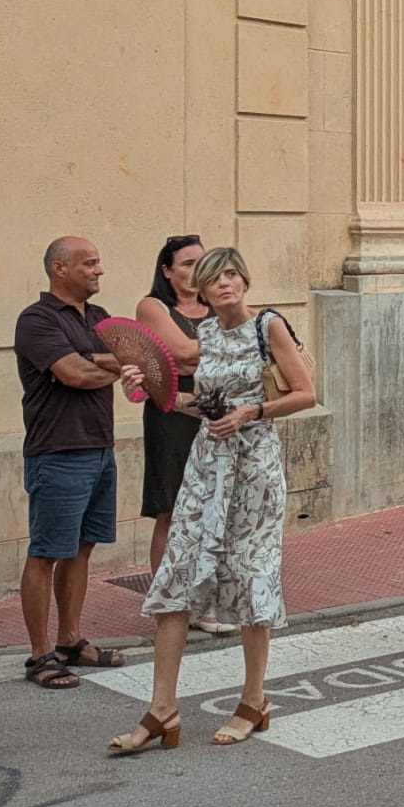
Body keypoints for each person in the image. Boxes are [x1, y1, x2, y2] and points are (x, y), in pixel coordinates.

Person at [109, 248, 317, 754]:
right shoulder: (203, 335)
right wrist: (145, 389)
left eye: (231, 274)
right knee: (176, 571)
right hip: (206, 466)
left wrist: (252, 412)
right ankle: (162, 709)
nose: (225, 284)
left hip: (255, 465)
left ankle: (253, 701)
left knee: (250, 573)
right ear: (199, 290)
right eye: (214, 278)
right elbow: (193, 405)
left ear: (244, 281)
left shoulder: (268, 327)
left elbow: (306, 393)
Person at [14, 237, 144, 690]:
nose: (98, 271)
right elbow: (75, 374)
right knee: (46, 552)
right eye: (89, 264)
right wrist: (114, 364)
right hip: (57, 452)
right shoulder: (36, 320)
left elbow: (127, 366)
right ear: (59, 268)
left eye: (98, 263)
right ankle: (38, 656)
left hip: (100, 448)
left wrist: (110, 362)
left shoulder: (101, 319)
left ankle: (70, 641)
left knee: (83, 548)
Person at [135, 235, 208, 581]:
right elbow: (181, 354)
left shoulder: (218, 306)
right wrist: (231, 347)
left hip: (216, 415)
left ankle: (203, 592)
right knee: (173, 508)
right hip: (173, 416)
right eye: (188, 263)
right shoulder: (153, 307)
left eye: (201, 262)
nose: (197, 270)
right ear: (167, 270)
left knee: (211, 507)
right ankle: (169, 597)